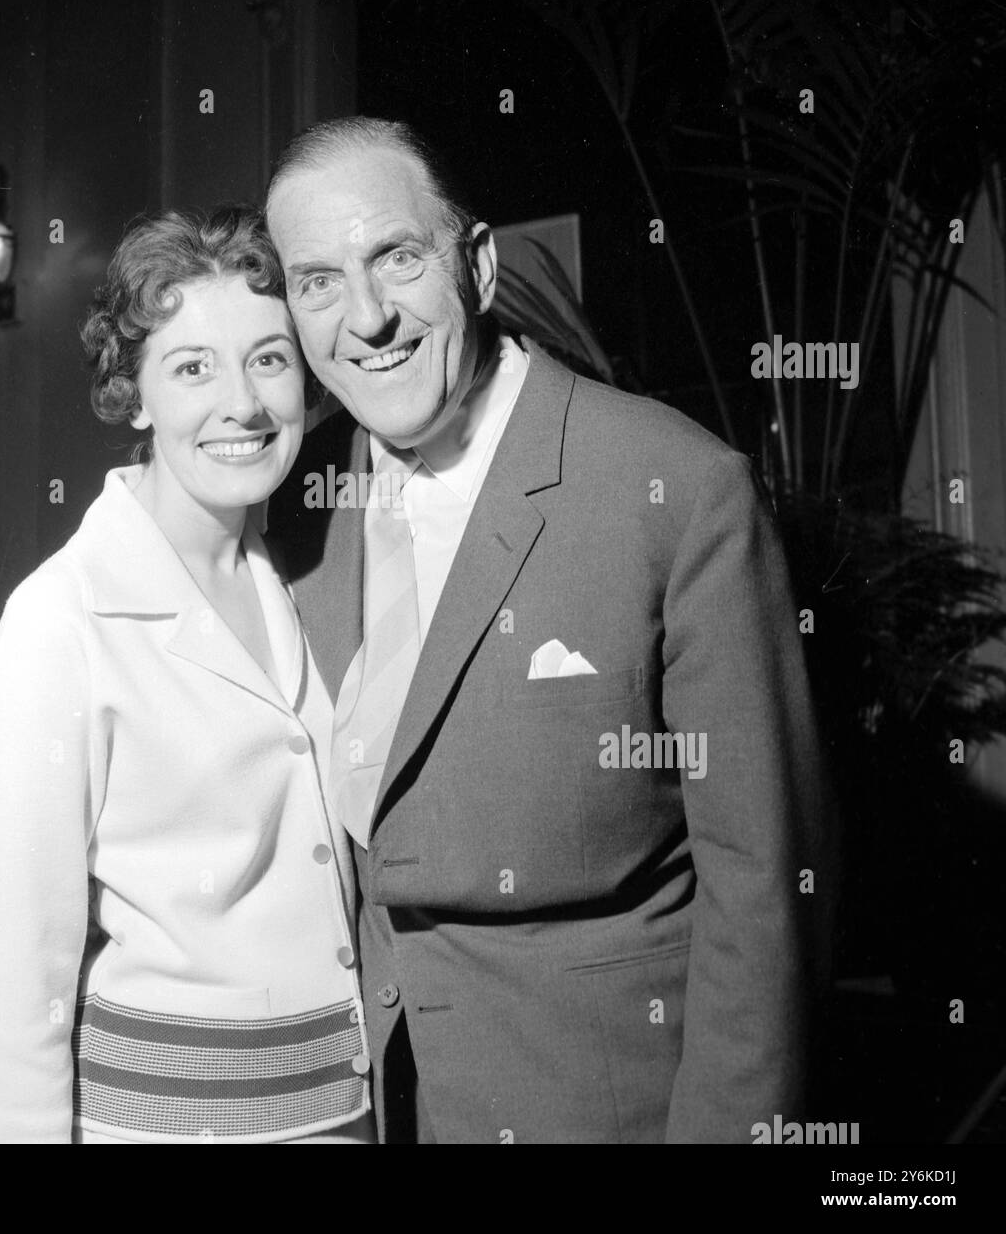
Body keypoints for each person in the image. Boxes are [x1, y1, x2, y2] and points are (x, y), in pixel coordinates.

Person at [264, 115, 836, 1143]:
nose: (367, 318)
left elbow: (766, 886)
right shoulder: (298, 509)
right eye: (316, 281)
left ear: (477, 267)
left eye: (397, 257)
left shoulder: (674, 488)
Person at [0, 205, 372, 1144]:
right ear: (135, 394)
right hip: (165, 1124)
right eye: (192, 367)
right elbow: (21, 963)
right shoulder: (60, 621)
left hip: (342, 1111)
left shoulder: (302, 578)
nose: (242, 402)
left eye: (269, 359)